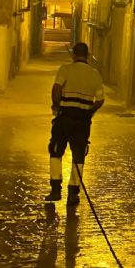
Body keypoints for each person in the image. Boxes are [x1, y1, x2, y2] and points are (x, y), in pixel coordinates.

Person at [45, 42, 104, 205]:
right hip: (82, 121)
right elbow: (100, 100)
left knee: (56, 151)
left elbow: (56, 89)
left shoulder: (65, 69)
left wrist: (56, 106)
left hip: (64, 117)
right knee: (78, 156)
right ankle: (73, 193)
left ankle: (55, 190)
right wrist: (89, 112)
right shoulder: (95, 75)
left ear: (73, 55)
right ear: (87, 55)